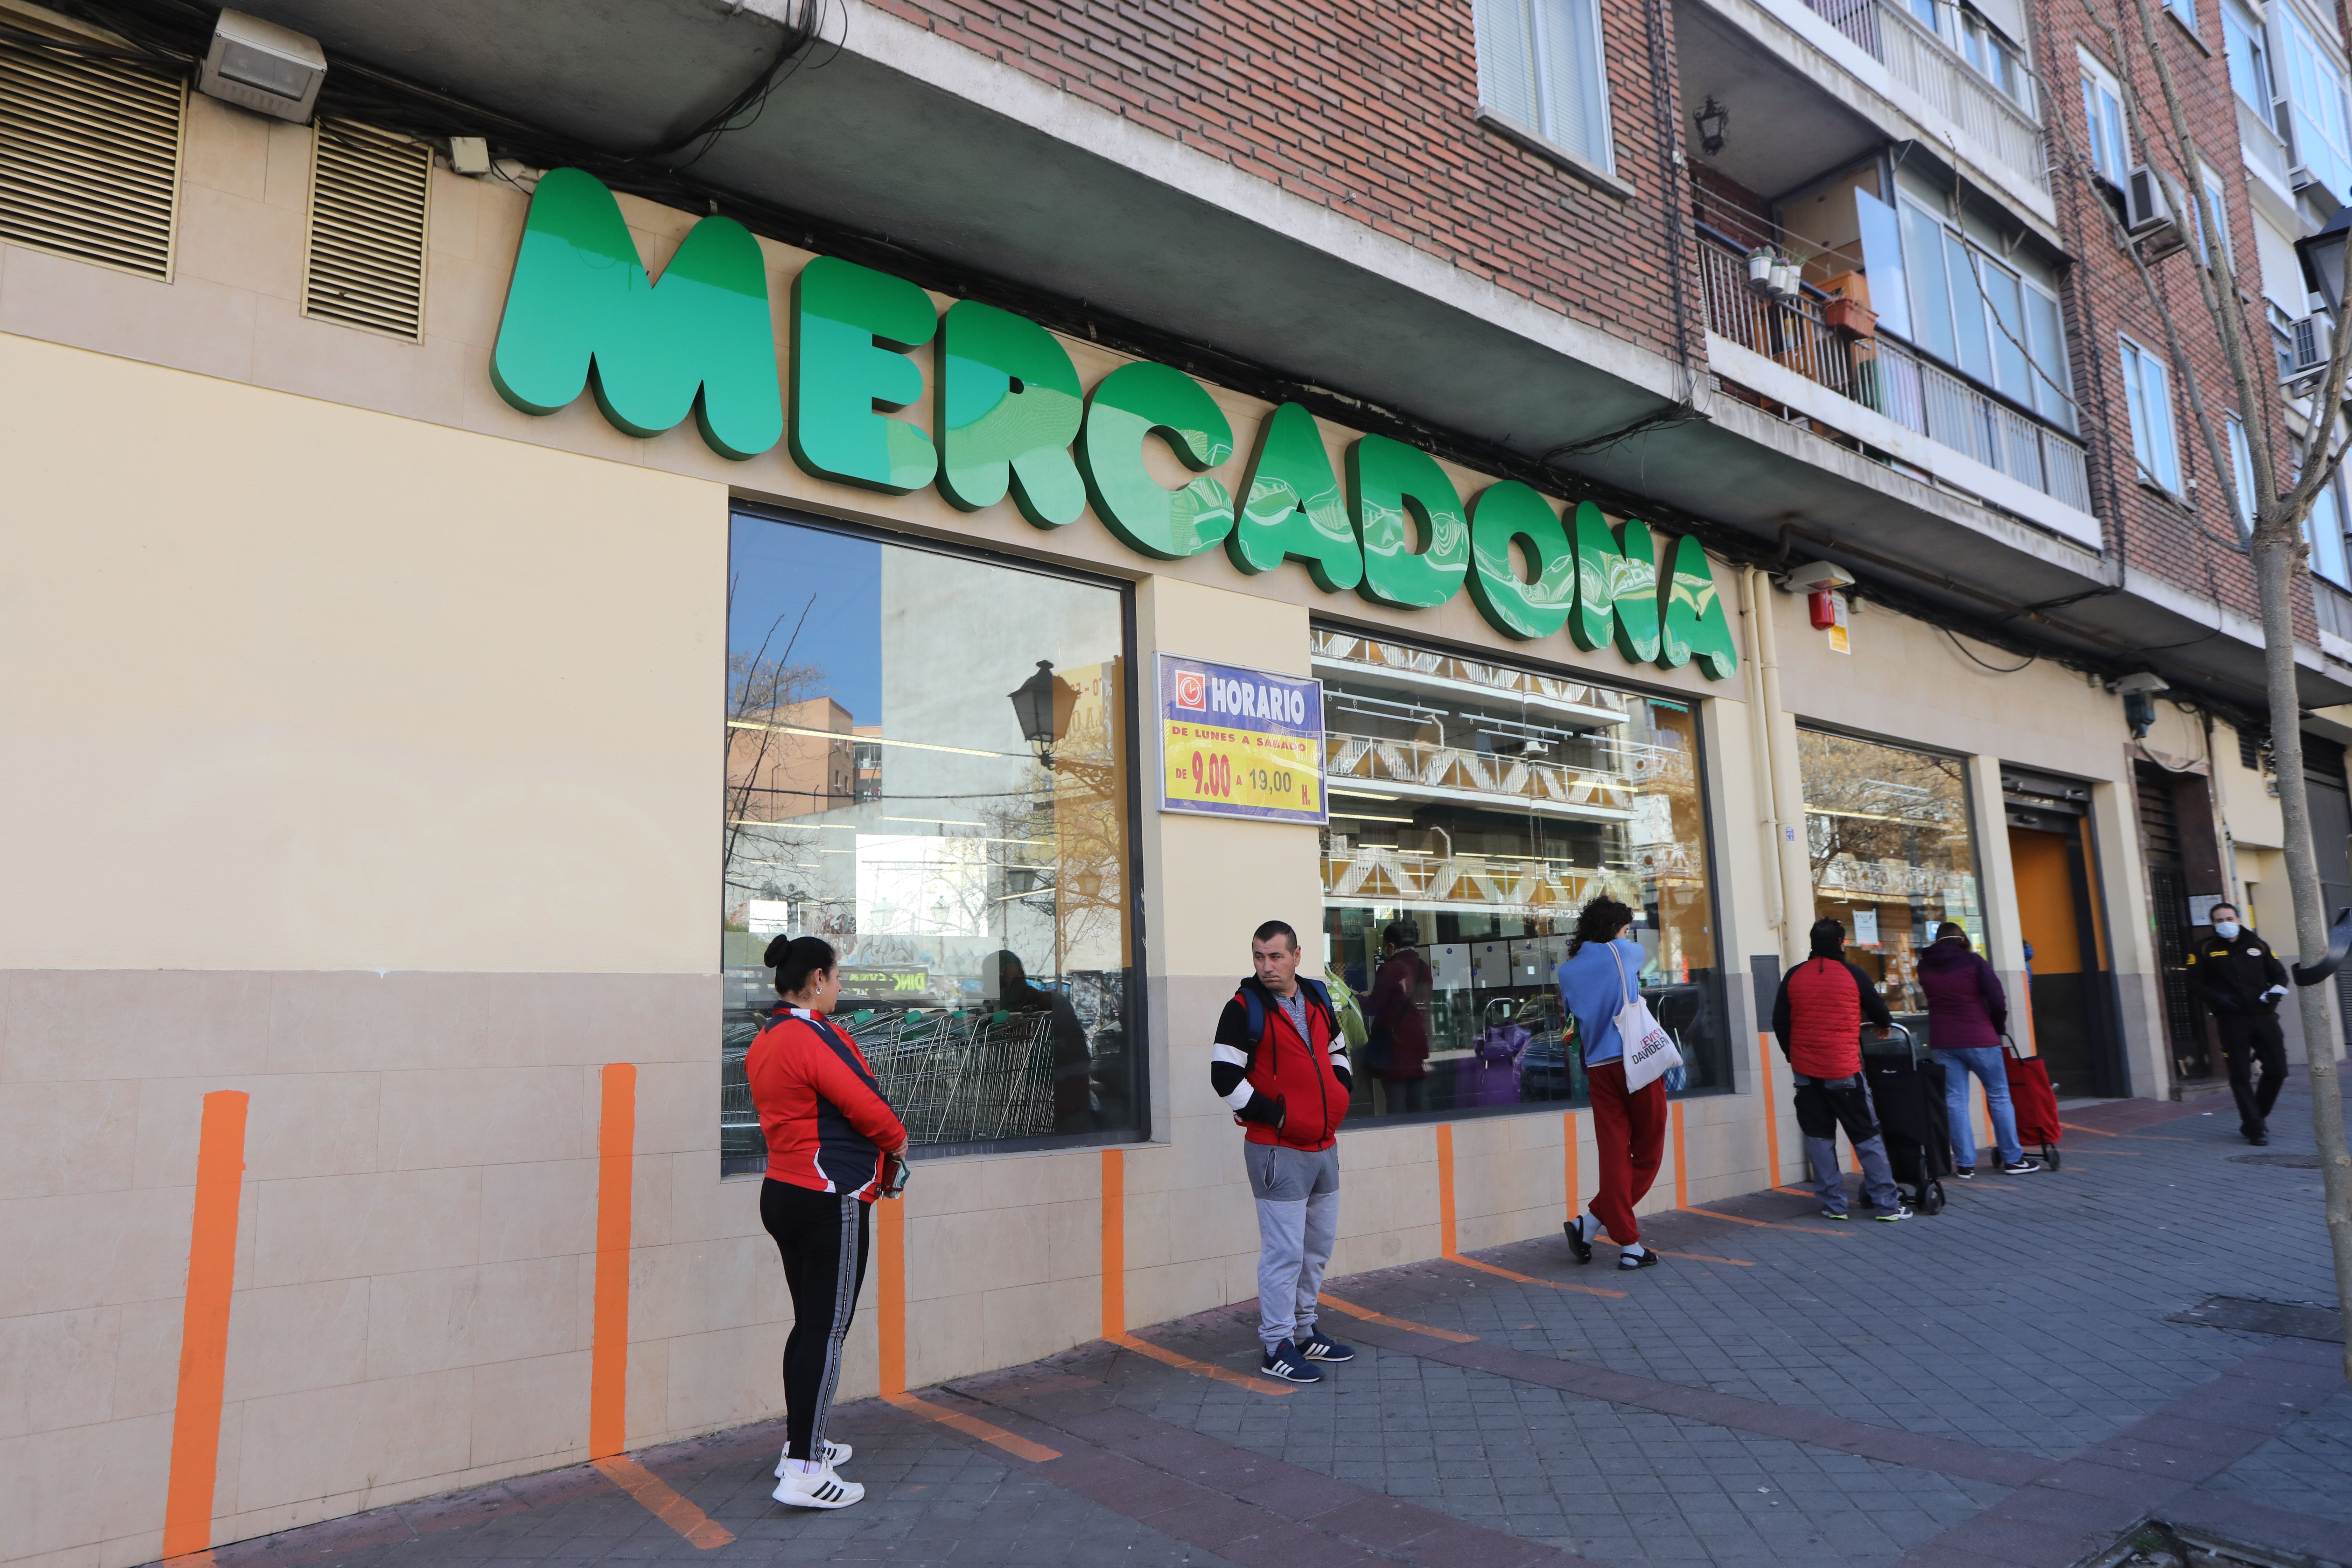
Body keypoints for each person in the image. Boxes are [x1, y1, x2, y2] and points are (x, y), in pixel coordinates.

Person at [746, 935, 911, 1510]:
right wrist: (898, 1139)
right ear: (817, 978)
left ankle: (803, 1442)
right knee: (826, 1330)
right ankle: (804, 1469)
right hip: (828, 1196)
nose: (840, 987)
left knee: (810, 1326)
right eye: (837, 977)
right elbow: (867, 1105)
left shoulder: (765, 1037)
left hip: (785, 1192)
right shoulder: (808, 1034)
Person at [1211, 920, 1357, 1384]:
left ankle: (1304, 1329)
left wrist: (1340, 1094)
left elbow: (1337, 1048)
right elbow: (1223, 1076)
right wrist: (1274, 1116)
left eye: (1276, 956)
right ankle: (1277, 1344)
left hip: (1324, 1144)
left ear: (1297, 955)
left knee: (1317, 1249)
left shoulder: (1315, 997)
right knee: (1283, 1254)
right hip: (1277, 1150)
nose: (1267, 966)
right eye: (1259, 956)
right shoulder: (1243, 1007)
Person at [1770, 918, 1913, 1222]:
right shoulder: (1854, 975)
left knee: (1818, 1136)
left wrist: (1792, 1054)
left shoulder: (1794, 976)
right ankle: (1887, 1204)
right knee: (1866, 1135)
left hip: (1805, 1073)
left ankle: (1834, 1206)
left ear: (1812, 943)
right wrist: (1884, 1026)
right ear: (1841, 943)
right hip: (1844, 1070)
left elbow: (1780, 1021)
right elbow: (1880, 1011)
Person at [1556, 897, 1671, 1268]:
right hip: (1636, 1062)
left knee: (1614, 1155)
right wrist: (1620, 939)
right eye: (1624, 927)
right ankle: (1627, 1243)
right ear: (1615, 929)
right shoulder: (1624, 952)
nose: (1627, 934)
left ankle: (1590, 1224)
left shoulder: (1568, 971)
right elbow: (1639, 954)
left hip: (1598, 1067)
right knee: (1648, 1151)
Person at [1916, 921, 2041, 1177]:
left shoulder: (1925, 966)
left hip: (1944, 1040)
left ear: (1937, 941)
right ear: (1961, 939)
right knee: (1999, 1096)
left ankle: (1964, 1164)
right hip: (1980, 1037)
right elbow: (1997, 998)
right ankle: (2013, 1159)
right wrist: (1997, 1026)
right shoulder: (1974, 962)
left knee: (1955, 1101)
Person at [2188, 903, 2291, 1145]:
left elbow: (2280, 974)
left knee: (2278, 1071)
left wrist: (2276, 992)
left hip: (2264, 1017)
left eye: (2229, 918)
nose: (2225, 923)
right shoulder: (2204, 949)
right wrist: (2217, 999)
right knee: (2240, 1074)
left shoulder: (2258, 945)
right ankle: (2255, 1129)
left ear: (2238, 918)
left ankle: (2255, 1117)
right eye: (2219, 920)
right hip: (2231, 1020)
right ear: (2213, 924)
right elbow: (2194, 983)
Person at [983, 949, 1093, 1132]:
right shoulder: (1002, 1010)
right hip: (1026, 1105)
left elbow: (1076, 1055)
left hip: (1060, 1102)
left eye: (988, 977)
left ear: (1010, 972)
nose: (985, 985)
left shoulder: (1047, 1006)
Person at [1363, 920, 1433, 1114]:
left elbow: (1372, 1007)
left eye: (1384, 946)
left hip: (1396, 1043)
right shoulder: (1423, 967)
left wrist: (1353, 997)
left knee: (1396, 1098)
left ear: (1391, 946)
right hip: (1418, 1039)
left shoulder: (1390, 969)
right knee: (1418, 1098)